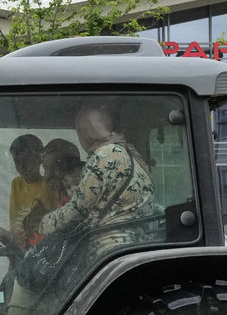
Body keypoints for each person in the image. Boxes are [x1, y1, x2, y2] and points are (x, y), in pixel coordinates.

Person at [35, 105, 155, 256]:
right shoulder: (131, 154)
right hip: (139, 247)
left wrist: (43, 223)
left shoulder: (105, 155)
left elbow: (77, 212)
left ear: (84, 131)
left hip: (109, 254)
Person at [6, 134, 57, 240]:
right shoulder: (16, 183)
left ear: (40, 159)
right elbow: (14, 225)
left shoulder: (50, 186)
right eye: (17, 161)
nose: (21, 167)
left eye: (27, 160)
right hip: (20, 245)